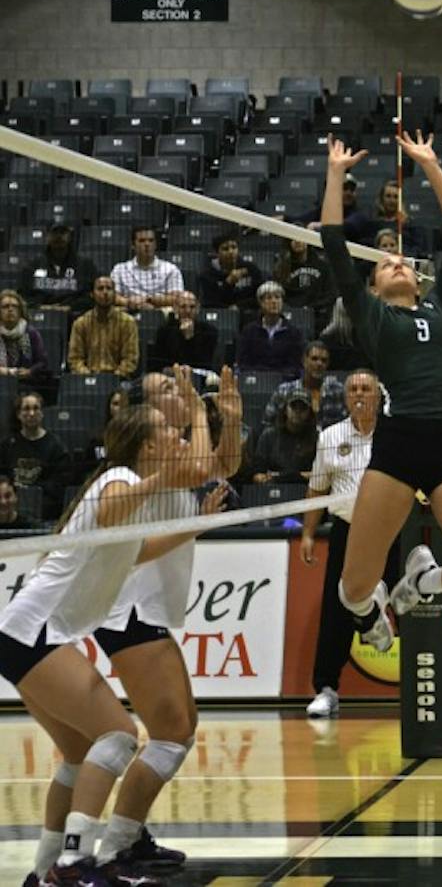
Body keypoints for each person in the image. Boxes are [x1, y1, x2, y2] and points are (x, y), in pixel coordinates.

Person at [0, 397, 218, 886]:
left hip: (23, 635)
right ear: (147, 445)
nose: (174, 433)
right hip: (35, 631)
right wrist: (162, 480)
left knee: (80, 755)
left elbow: (139, 550)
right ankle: (75, 865)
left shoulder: (127, 491)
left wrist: (197, 522)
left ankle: (43, 871)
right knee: (118, 736)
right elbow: (112, 509)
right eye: (165, 429)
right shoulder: (118, 482)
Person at [321, 132, 442, 653]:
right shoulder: (372, 315)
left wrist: (429, 164)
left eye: (403, 261)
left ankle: (423, 580)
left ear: (417, 278)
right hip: (397, 448)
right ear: (374, 287)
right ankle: (369, 611)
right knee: (353, 589)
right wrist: (336, 174)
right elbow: (333, 243)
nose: (397, 262)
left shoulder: (441, 305)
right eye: (384, 264)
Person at [86, 364, 241, 881]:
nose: (178, 392)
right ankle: (113, 848)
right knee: (171, 733)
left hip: (146, 613)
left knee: (181, 727)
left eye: (177, 389)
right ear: (146, 427)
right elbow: (203, 469)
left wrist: (231, 418)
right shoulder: (141, 470)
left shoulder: (171, 455)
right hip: (129, 612)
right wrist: (201, 409)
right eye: (165, 392)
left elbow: (223, 465)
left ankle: (128, 836)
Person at [299, 369, 395, 719]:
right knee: (335, 612)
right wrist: (309, 533)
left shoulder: (395, 433)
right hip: (347, 530)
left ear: (378, 395)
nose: (359, 394)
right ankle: (327, 689)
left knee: (406, 599)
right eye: (353, 389)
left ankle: (419, 683)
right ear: (344, 397)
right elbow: (317, 489)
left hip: (392, 529)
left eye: (365, 389)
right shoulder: (331, 436)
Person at [1, 390, 71, 522]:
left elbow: (58, 487)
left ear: (42, 413)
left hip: (44, 512)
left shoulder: (56, 447)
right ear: (18, 414)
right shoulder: (7, 445)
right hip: (10, 511)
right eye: (26, 409)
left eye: (36, 408)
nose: (31, 414)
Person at [20, 223, 98, 317]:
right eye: (55, 233)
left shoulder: (85, 265)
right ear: (47, 236)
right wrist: (41, 307)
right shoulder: (32, 265)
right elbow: (22, 296)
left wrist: (70, 307)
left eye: (62, 233)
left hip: (75, 316)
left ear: (69, 236)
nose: (59, 236)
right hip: (39, 316)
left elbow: (92, 295)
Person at [67, 275, 139, 376]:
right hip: (87, 378)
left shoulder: (128, 323)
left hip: (118, 379)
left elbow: (130, 359)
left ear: (114, 294)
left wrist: (115, 376)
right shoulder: (81, 323)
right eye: (100, 289)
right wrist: (87, 375)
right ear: (92, 294)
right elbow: (75, 359)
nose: (105, 292)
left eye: (109, 289)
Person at [264, 340, 345, 430]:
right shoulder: (284, 391)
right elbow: (268, 423)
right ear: (304, 361)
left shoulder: (338, 391)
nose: (319, 364)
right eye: (314, 359)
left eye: (323, 360)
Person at [235, 281, 305, 378]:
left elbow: (295, 366)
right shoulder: (249, 331)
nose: (274, 301)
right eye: (269, 298)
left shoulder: (294, 333)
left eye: (277, 297)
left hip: (283, 381)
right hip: (255, 380)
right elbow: (243, 364)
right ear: (261, 303)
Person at [250, 388, 319, 483]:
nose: (298, 411)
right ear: (285, 410)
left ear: (309, 413)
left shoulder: (317, 438)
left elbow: (321, 475)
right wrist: (264, 479)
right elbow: (257, 474)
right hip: (273, 489)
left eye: (303, 408)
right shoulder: (268, 436)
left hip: (306, 489)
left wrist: (291, 476)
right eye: (293, 406)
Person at [109, 225, 184, 313]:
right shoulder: (119, 269)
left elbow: (177, 297)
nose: (147, 244)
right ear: (133, 245)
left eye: (151, 240)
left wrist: (149, 300)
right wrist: (129, 302)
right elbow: (112, 296)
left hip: (160, 311)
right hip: (128, 310)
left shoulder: (170, 269)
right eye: (142, 241)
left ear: (155, 244)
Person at [148, 289, 218, 373]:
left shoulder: (209, 331)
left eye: (192, 307)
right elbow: (158, 364)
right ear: (175, 308)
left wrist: (190, 339)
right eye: (183, 307)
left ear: (198, 308)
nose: (188, 311)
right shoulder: (164, 331)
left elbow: (205, 364)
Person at [196, 233, 264, 313]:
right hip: (222, 315)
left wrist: (239, 307)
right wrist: (228, 284)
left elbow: (260, 296)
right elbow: (210, 303)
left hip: (248, 312)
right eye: (225, 249)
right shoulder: (207, 274)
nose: (231, 252)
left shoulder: (250, 268)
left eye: (234, 247)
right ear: (217, 253)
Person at [272, 237, 335, 323]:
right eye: (293, 239)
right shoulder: (281, 266)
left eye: (300, 237)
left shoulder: (322, 265)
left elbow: (331, 293)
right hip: (291, 313)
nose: (297, 241)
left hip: (319, 314)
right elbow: (278, 292)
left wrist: (312, 308)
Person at [0, 289, 49, 383]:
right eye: (5, 306)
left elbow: (42, 362)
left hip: (26, 383)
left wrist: (29, 371)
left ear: (20, 310)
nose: (10, 309)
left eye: (15, 306)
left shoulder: (31, 333)